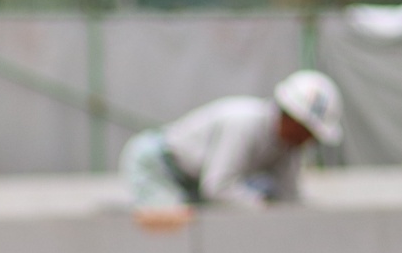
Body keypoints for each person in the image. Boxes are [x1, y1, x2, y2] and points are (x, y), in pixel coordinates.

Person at [120, 70, 344, 222]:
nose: (309, 140)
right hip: (158, 165)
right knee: (174, 231)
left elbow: (289, 198)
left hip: (192, 179)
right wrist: (263, 208)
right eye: (307, 131)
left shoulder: (287, 147)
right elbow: (218, 187)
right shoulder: (244, 124)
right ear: (291, 118)